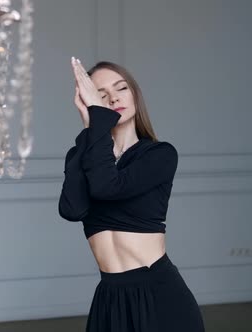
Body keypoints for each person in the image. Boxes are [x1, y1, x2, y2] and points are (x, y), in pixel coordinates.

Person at [58, 57, 206, 331]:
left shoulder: (159, 155)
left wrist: (97, 124)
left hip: (157, 291)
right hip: (109, 296)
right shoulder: (80, 156)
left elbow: (107, 186)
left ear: (135, 94)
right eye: (101, 95)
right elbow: (72, 209)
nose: (113, 98)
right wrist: (91, 130)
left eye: (121, 88)